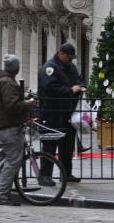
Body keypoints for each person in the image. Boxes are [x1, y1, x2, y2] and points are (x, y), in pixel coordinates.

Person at [0, 54, 35, 206]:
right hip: (8, 125)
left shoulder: (2, 80)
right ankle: (0, 194)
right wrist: (28, 104)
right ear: (16, 68)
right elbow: (12, 106)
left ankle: (1, 189)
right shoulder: (8, 83)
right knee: (13, 160)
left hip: (1, 124)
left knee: (5, 158)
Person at [37, 43, 85, 184]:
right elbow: (50, 87)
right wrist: (70, 90)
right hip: (51, 112)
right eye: (69, 58)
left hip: (67, 112)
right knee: (50, 143)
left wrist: (81, 86)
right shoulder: (49, 68)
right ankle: (45, 176)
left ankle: (66, 173)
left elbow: (79, 80)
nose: (71, 61)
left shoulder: (71, 67)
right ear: (61, 54)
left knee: (67, 144)